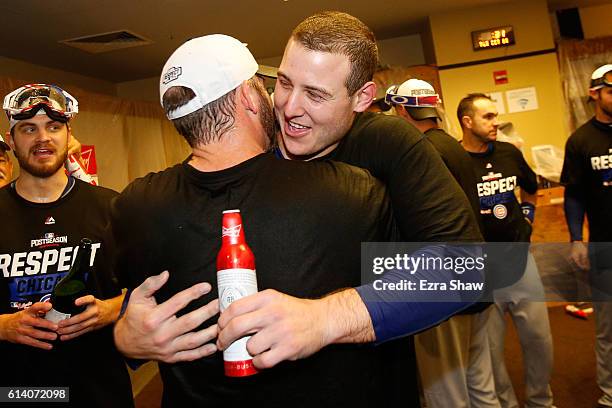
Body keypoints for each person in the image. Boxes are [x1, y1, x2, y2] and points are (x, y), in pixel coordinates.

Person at [112, 34, 413, 407]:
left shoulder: (134, 206)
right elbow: (427, 286)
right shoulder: (350, 192)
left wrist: (122, 335)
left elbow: (132, 303)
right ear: (246, 98)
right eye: (268, 87)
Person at [218, 11, 485, 373]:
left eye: (315, 94)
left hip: (368, 379)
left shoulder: (387, 142)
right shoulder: (253, 142)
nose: (290, 108)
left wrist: (323, 319)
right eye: (283, 83)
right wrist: (125, 324)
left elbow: (464, 269)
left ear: (362, 98)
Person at [0, 84, 132, 407]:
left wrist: (109, 310)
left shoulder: (111, 207)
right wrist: (3, 326)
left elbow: (147, 290)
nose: (42, 138)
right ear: (11, 140)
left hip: (100, 393)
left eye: (53, 127)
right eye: (29, 129)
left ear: (68, 134)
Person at [387, 78, 499, 408]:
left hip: (443, 283)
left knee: (445, 395)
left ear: (402, 110)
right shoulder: (452, 145)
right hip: (476, 276)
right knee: (481, 385)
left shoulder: (420, 153)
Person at [459, 93, 555, 408]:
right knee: (491, 349)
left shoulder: (508, 153)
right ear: (467, 121)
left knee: (540, 340)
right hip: (484, 268)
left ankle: (541, 401)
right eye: (487, 117)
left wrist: (527, 218)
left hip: (520, 258)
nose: (496, 122)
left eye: (495, 115)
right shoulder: (454, 161)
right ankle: (507, 403)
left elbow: (531, 187)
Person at [561, 63, 612, 408]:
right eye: (611, 91)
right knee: (607, 328)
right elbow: (574, 195)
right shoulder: (580, 140)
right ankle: (610, 392)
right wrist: (576, 238)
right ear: (595, 94)